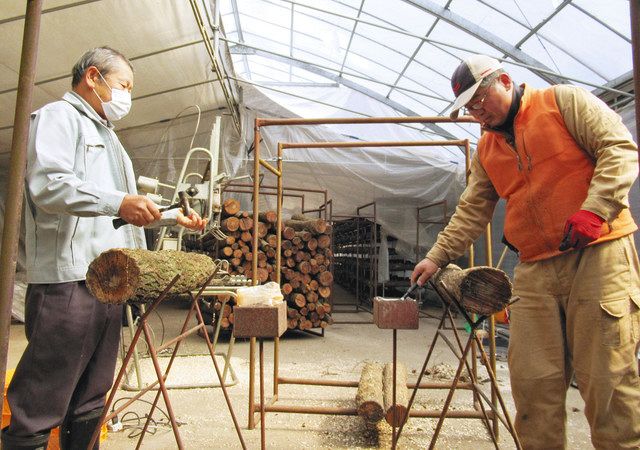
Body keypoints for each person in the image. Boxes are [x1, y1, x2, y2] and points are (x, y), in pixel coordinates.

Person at [411, 54, 640, 449]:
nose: (476, 112)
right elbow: (473, 208)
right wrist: (437, 256)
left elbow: (619, 150)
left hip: (598, 252)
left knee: (607, 379)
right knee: (533, 382)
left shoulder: (563, 102)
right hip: (534, 267)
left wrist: (595, 209)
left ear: (504, 80)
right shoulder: (487, 148)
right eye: (469, 107)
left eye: (480, 100)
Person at [2, 47, 207, 450]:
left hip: (107, 282)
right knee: (42, 398)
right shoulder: (57, 119)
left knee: (93, 394)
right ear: (92, 76)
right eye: (123, 85)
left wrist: (168, 216)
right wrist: (119, 202)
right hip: (69, 280)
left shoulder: (107, 136)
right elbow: (50, 185)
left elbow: (117, 207)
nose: (127, 96)